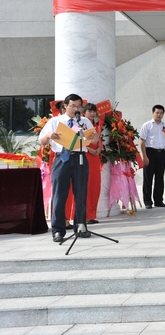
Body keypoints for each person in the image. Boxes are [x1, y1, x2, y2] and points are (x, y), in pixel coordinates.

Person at [38, 93, 99, 242]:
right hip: (62, 159)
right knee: (60, 195)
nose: (76, 109)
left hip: (80, 158)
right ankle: (58, 231)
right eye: (73, 106)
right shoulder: (55, 121)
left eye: (79, 106)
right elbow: (42, 141)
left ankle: (81, 227)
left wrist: (94, 137)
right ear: (65, 106)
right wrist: (50, 135)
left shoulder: (84, 121)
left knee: (81, 194)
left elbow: (94, 139)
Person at [139, 105, 165, 209]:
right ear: (153, 113)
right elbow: (142, 142)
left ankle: (158, 200)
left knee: (159, 178)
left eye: (161, 113)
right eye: (157, 113)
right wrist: (144, 156)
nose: (159, 115)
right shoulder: (147, 125)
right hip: (150, 152)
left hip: (161, 153)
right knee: (148, 178)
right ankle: (147, 201)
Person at [82, 103, 101, 224]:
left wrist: (98, 149)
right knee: (86, 186)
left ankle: (91, 215)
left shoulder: (96, 126)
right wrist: (89, 149)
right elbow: (77, 142)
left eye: (94, 111)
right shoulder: (80, 126)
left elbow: (99, 142)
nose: (92, 113)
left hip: (95, 158)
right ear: (84, 113)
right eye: (90, 111)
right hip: (85, 156)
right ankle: (84, 215)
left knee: (95, 185)